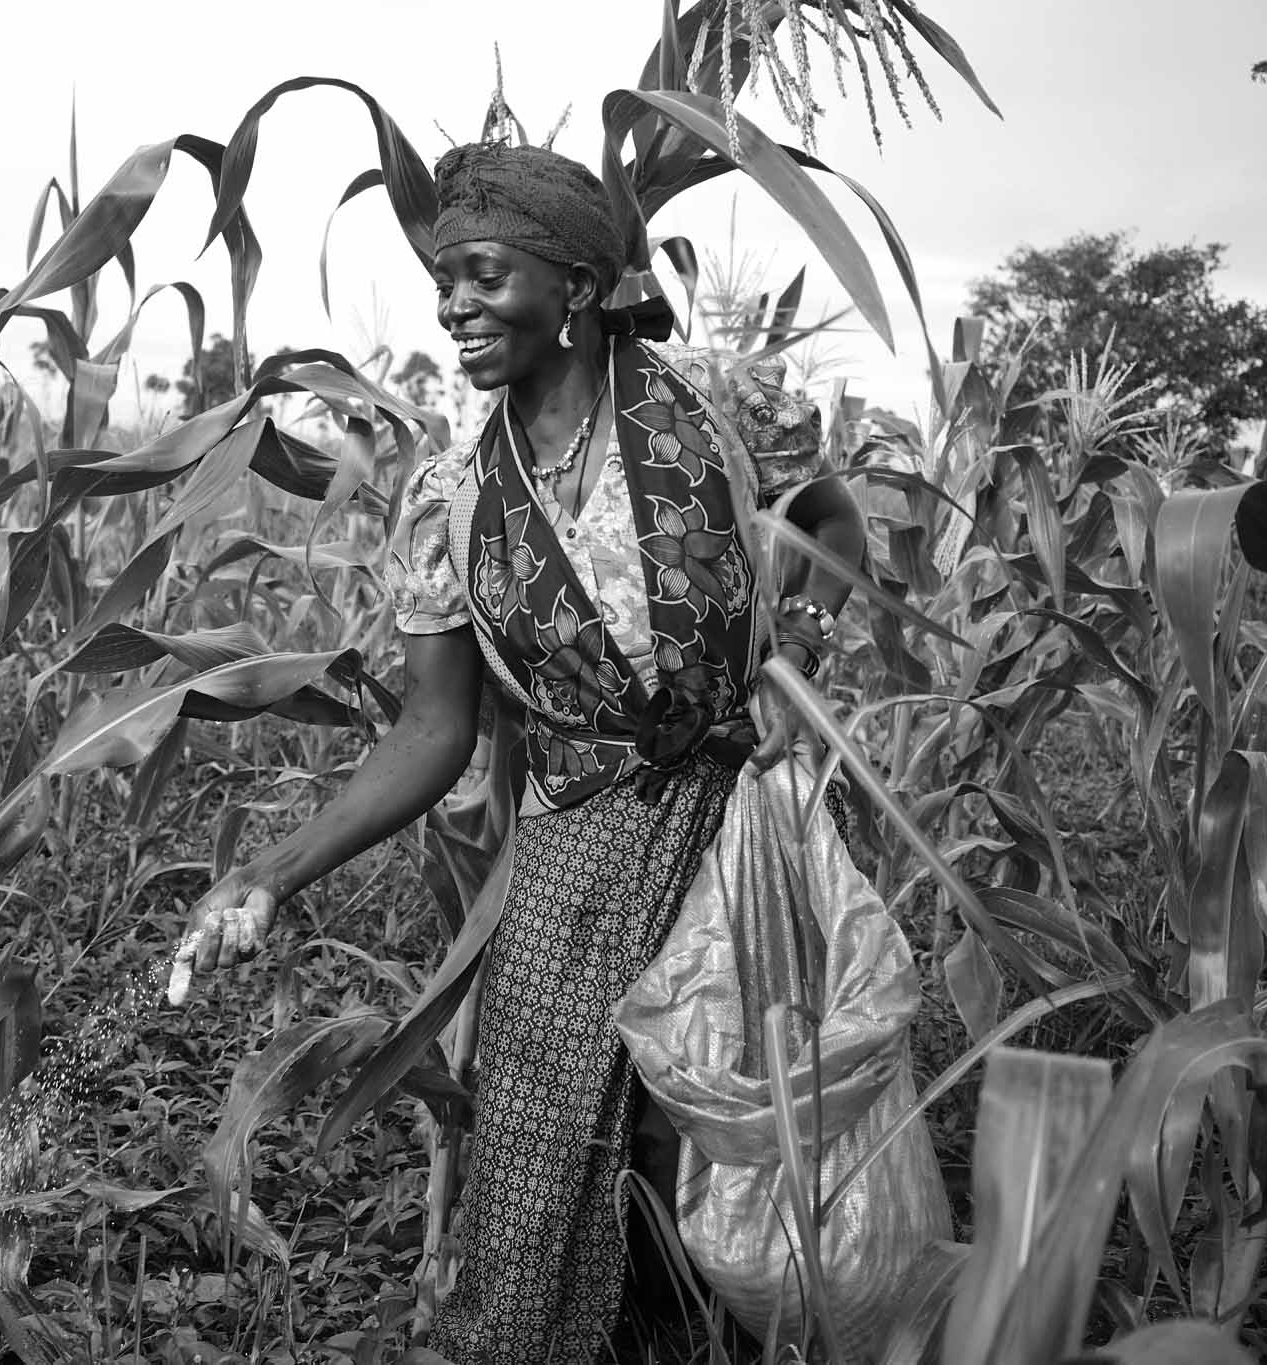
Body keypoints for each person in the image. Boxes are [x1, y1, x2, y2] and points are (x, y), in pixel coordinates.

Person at [173, 142, 865, 1362]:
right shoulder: (453, 498)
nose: (453, 306)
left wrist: (793, 647)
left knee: (725, 1141)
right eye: (446, 281)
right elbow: (433, 729)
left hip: (737, 819)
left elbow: (831, 516)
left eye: (484, 275)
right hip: (578, 845)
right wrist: (271, 871)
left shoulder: (715, 406)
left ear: (581, 286)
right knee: (547, 1152)